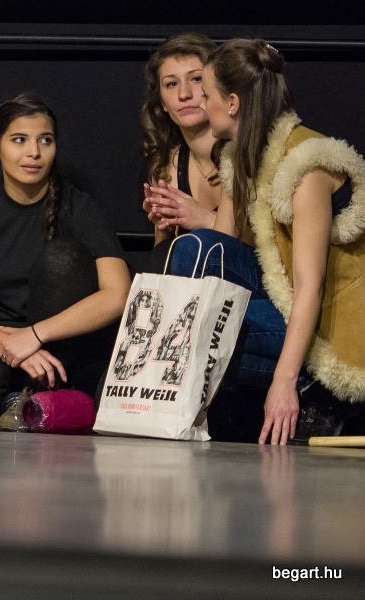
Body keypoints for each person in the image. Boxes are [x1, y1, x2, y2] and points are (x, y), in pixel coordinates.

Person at [169, 38, 365, 444]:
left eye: (206, 94)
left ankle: (313, 389)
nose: (200, 103)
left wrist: (282, 382)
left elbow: (310, 286)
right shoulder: (239, 157)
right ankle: (167, 389)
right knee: (194, 251)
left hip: (333, 324)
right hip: (283, 297)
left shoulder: (306, 167)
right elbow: (218, 249)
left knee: (213, 332)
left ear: (232, 103)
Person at [0, 92, 131, 428]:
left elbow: (117, 294)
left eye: (45, 140)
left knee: (60, 258)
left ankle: (45, 397)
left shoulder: (80, 208)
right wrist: (13, 344)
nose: (34, 153)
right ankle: (18, 398)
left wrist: (36, 335)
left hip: (65, 347)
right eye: (19, 140)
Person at [140, 33, 221, 267]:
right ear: (163, 103)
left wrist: (203, 218)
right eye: (171, 84)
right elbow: (162, 255)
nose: (184, 94)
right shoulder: (166, 167)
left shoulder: (245, 155)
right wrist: (164, 221)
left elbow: (272, 249)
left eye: (196, 79)